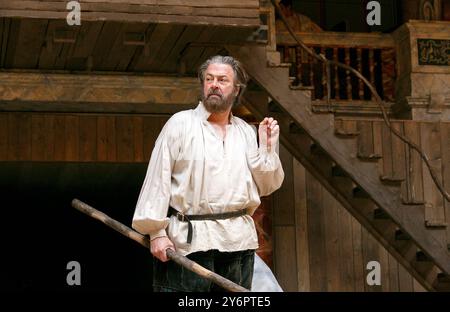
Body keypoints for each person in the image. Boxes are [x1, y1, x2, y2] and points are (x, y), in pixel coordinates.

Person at [132, 55, 284, 292]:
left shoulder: (244, 132)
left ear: (236, 89)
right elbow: (157, 179)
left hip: (237, 243)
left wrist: (267, 148)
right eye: (209, 79)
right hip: (189, 243)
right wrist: (156, 233)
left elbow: (266, 186)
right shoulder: (180, 124)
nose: (214, 84)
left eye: (222, 80)